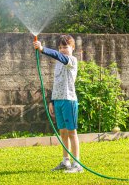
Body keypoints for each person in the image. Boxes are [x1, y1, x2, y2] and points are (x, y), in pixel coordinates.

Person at [33, 34, 83, 173]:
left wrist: (42, 49)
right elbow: (57, 83)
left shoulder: (71, 60)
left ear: (72, 47)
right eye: (60, 47)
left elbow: (58, 56)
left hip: (69, 100)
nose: (62, 50)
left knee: (72, 132)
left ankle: (77, 164)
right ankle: (65, 161)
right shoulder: (58, 64)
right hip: (58, 100)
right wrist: (52, 101)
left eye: (65, 47)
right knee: (63, 132)